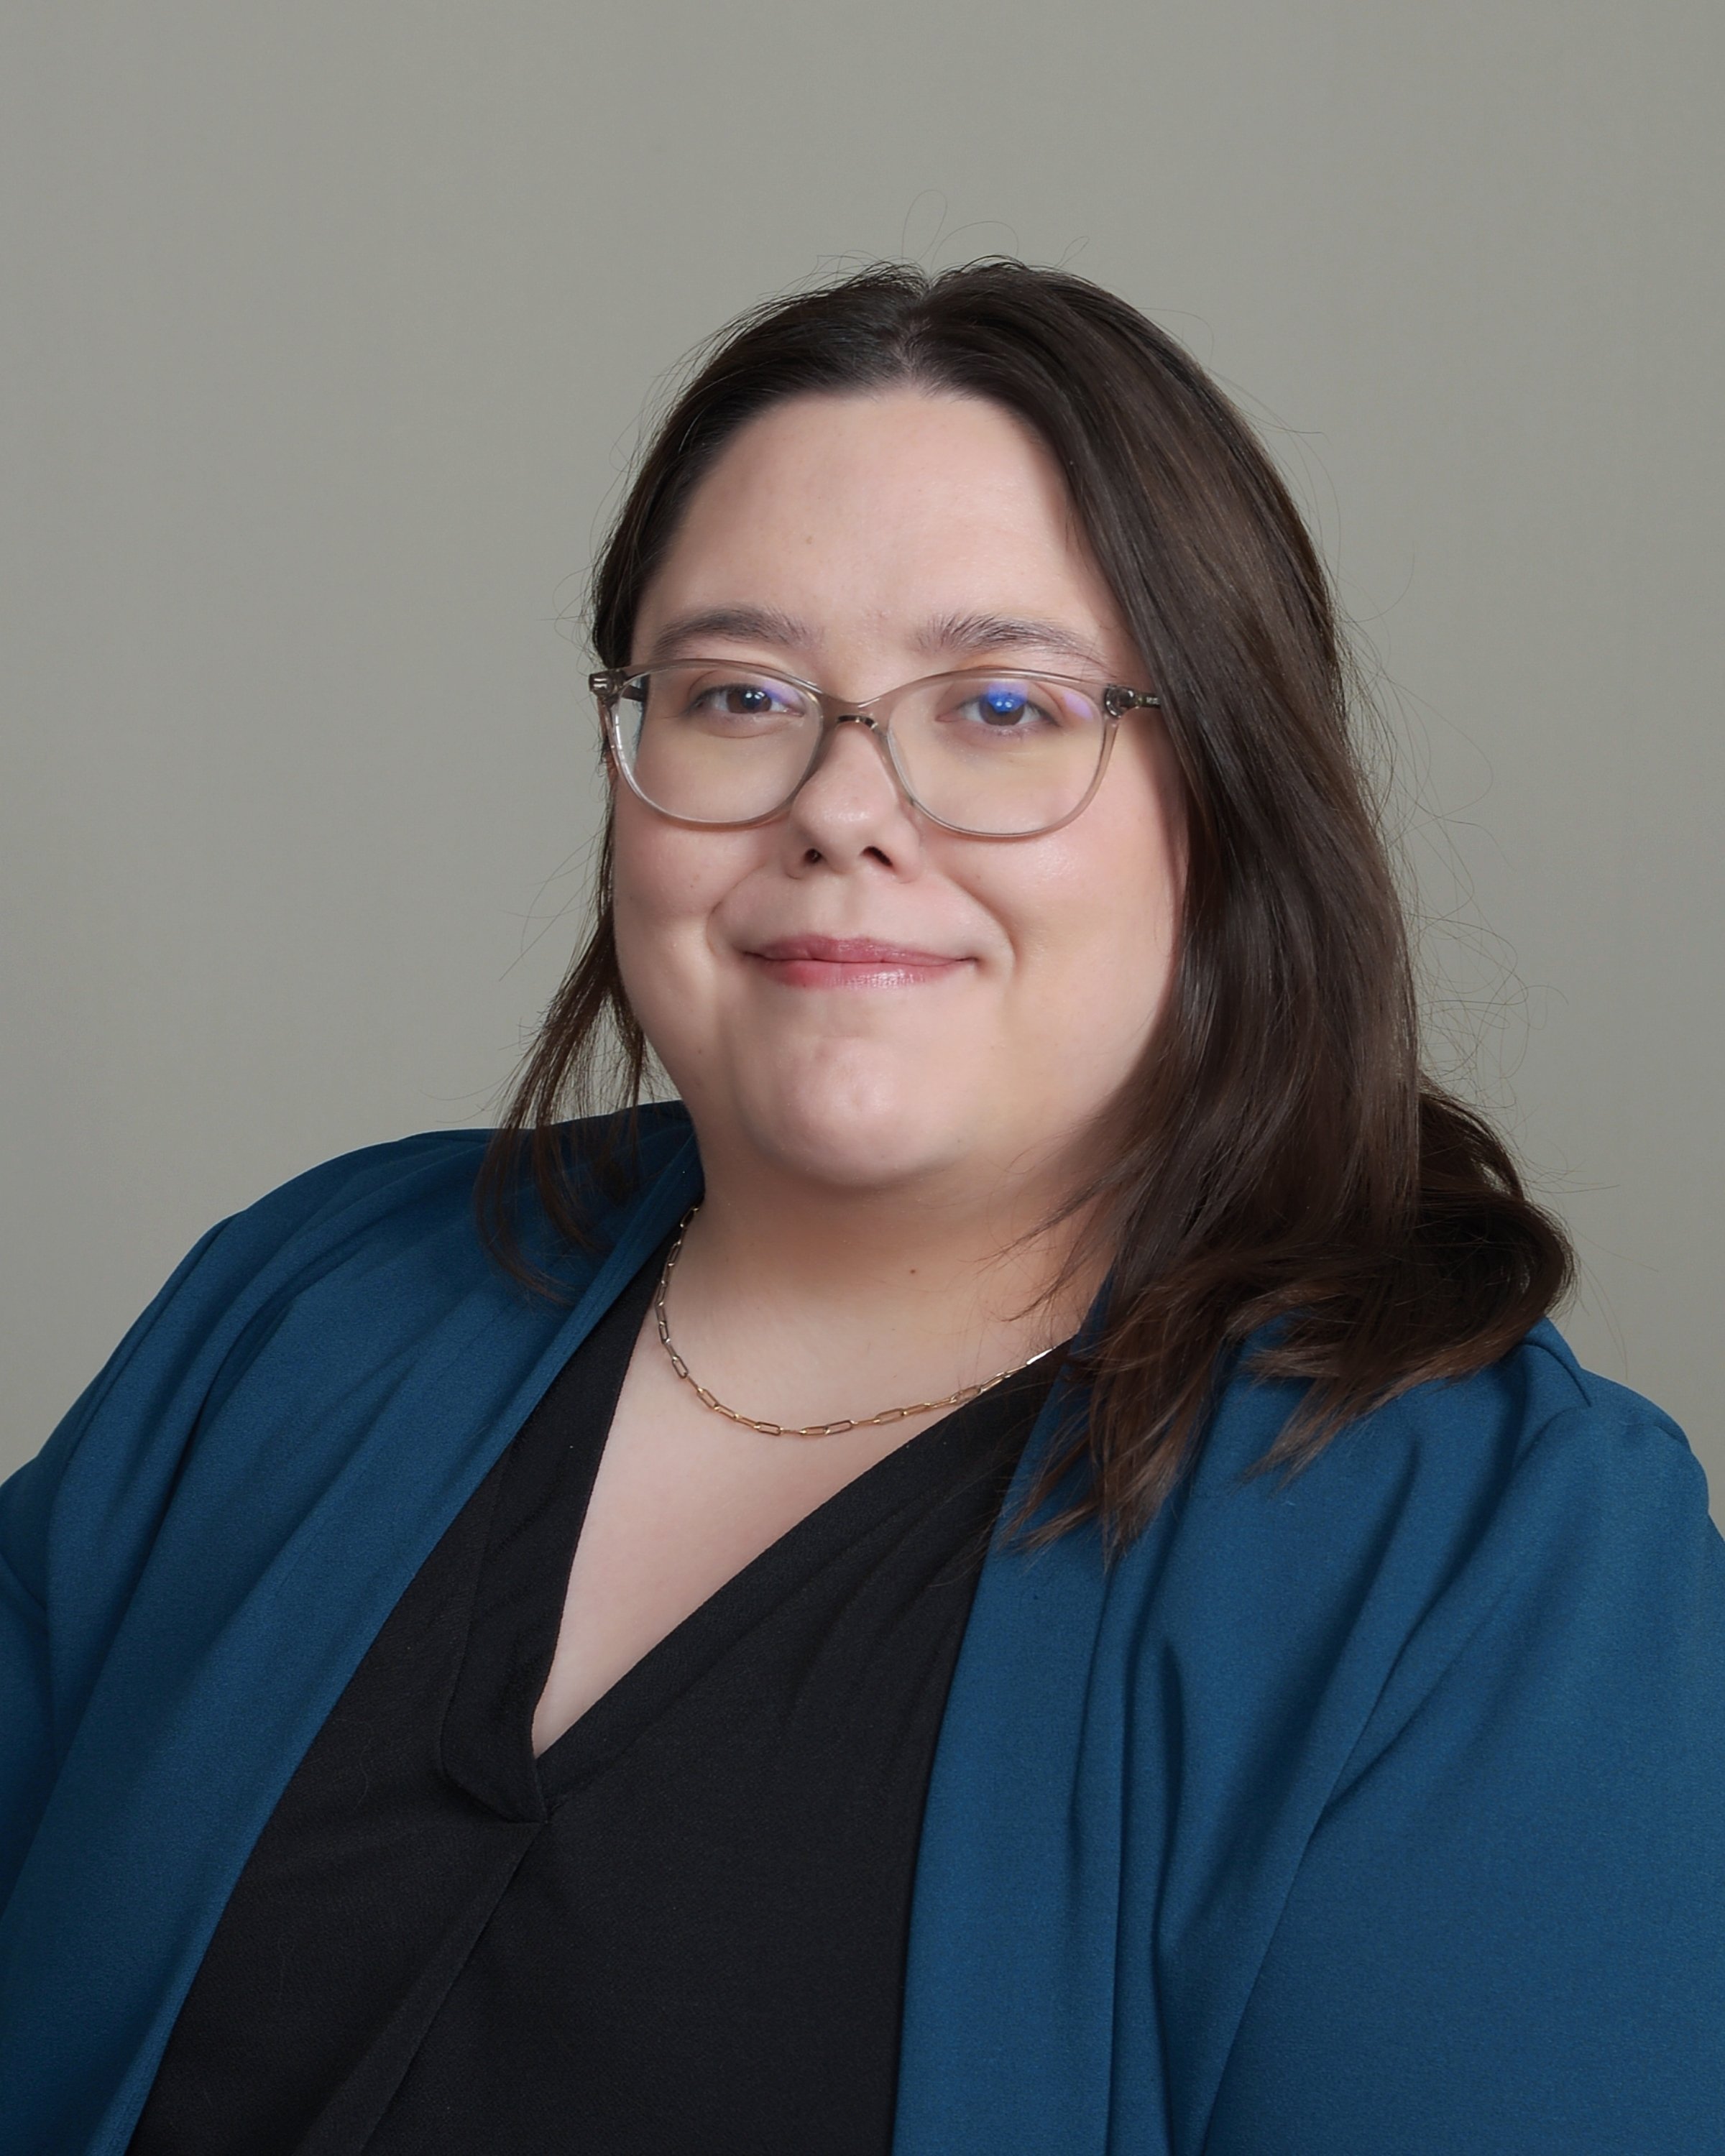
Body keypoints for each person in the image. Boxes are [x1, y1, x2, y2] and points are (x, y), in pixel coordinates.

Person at [1, 261, 1721, 2156]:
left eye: (998, 704)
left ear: (1223, 807)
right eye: (741, 692)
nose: (845, 802)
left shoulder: (1487, 1566)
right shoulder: (302, 1308)